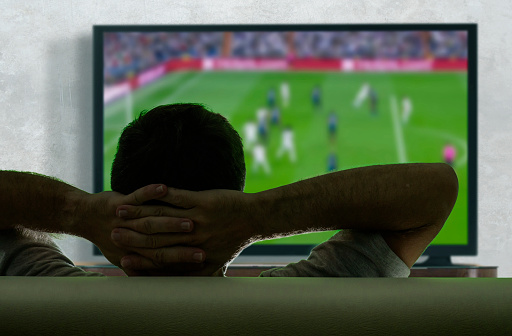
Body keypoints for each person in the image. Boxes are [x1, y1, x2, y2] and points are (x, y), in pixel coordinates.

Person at [0, 103, 459, 277]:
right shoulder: (313, 302)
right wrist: (257, 216)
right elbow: (435, 191)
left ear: (122, 198)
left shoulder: (45, 292)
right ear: (233, 193)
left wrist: (78, 211)